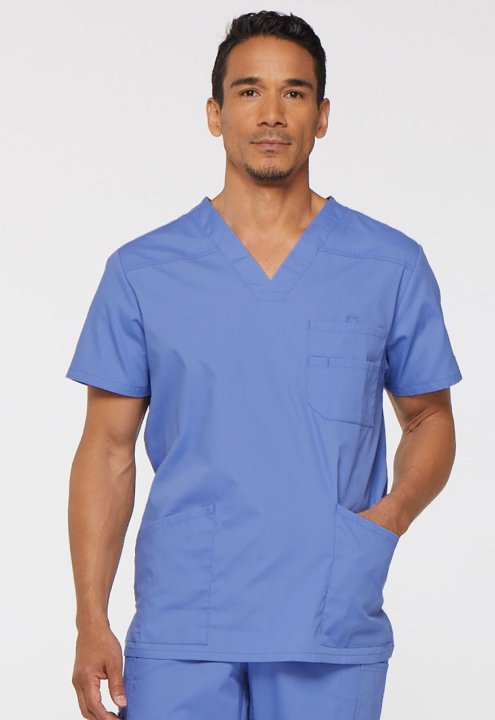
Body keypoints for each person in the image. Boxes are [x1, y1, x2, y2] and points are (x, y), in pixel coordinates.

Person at [66, 10, 462, 720]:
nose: (272, 113)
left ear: (322, 116)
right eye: (248, 91)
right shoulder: (142, 272)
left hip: (329, 618)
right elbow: (106, 450)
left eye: (294, 93)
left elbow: (429, 416)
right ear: (214, 114)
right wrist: (90, 618)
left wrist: (387, 519)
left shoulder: (388, 264)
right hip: (185, 622)